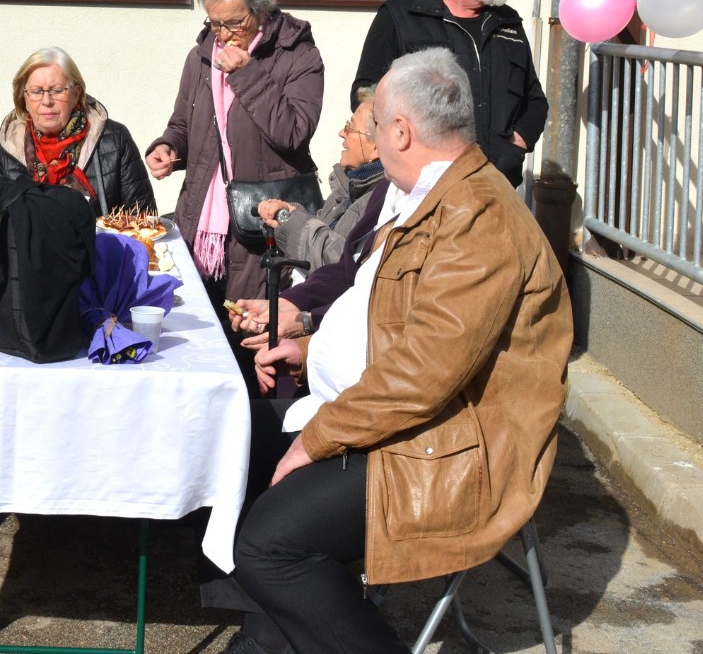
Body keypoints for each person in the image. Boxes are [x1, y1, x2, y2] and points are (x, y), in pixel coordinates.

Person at [219, 48, 572, 654]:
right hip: (391, 419)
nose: (369, 136)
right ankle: (272, 641)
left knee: (270, 544)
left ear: (401, 131)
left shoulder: (477, 217)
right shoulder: (425, 197)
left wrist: (317, 439)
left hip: (449, 446)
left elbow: (422, 376)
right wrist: (309, 346)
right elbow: (389, 314)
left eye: (374, 123)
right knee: (228, 443)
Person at [144, 0, 324, 308]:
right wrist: (169, 147)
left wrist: (247, 72)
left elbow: (293, 133)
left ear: (261, 11)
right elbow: (183, 123)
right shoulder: (201, 57)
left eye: (234, 22)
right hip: (200, 219)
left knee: (246, 333)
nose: (223, 35)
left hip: (261, 223)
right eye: (214, 23)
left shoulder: (299, 56)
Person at [351, 0, 548, 188]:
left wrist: (515, 146)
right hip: (423, 192)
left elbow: (535, 100)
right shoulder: (400, 17)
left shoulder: (507, 23)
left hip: (496, 187)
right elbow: (366, 98)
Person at [0, 46, 155, 214]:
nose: (47, 101)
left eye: (57, 90)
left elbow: (143, 220)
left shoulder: (114, 140)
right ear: (24, 97)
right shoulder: (10, 147)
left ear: (76, 94)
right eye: (36, 91)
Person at [253, 86, 384, 273]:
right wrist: (286, 215)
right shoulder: (348, 187)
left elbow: (341, 266)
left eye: (350, 127)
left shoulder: (380, 199)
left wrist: (290, 223)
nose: (341, 132)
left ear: (375, 148)